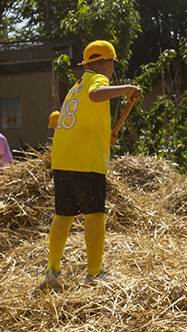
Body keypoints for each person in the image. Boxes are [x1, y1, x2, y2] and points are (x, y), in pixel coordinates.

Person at [40, 40, 142, 291]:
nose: (112, 70)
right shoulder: (97, 81)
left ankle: (52, 272)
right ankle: (94, 273)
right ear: (109, 63)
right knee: (94, 215)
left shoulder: (75, 86)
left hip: (63, 160)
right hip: (85, 163)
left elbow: (83, 121)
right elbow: (96, 96)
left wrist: (107, 137)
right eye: (112, 65)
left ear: (86, 64)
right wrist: (127, 87)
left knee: (63, 216)